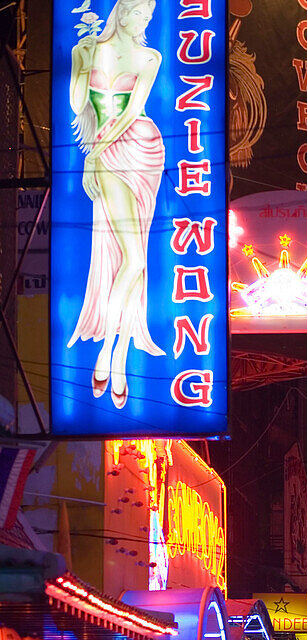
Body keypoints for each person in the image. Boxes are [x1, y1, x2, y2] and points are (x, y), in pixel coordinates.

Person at [68, 0, 166, 409]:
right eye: (139, 12)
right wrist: (81, 58)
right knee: (130, 258)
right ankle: (114, 357)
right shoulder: (86, 50)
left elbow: (132, 112)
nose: (144, 20)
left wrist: (94, 153)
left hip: (141, 145)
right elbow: (78, 105)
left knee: (136, 256)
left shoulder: (150, 56)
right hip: (105, 153)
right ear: (122, 12)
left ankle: (115, 356)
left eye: (148, 15)